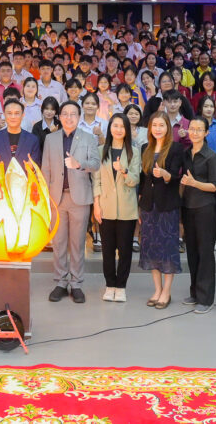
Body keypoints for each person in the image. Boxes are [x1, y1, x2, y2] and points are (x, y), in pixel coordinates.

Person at [42, 100, 101, 304]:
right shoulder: (50, 139)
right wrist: (46, 197)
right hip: (56, 198)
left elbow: (95, 164)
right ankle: (60, 282)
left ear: (79, 116)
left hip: (80, 197)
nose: (69, 117)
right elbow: (46, 169)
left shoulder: (89, 138)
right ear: (59, 116)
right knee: (58, 243)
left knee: (77, 243)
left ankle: (76, 283)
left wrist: (79, 164)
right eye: (65, 114)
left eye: (73, 114)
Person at [137, 111, 185, 309]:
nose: (158, 129)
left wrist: (165, 174)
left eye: (161, 125)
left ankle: (167, 291)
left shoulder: (176, 148)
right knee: (152, 248)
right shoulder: (145, 148)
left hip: (167, 206)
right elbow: (143, 180)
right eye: (154, 125)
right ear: (150, 128)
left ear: (168, 128)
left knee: (167, 249)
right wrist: (140, 203)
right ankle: (157, 289)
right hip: (149, 206)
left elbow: (176, 177)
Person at [92, 113, 141, 303]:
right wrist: (96, 205)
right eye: (115, 126)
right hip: (105, 207)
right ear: (110, 128)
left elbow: (135, 180)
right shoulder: (101, 150)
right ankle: (109, 285)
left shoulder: (133, 152)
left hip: (127, 209)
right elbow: (96, 180)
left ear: (127, 130)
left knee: (125, 250)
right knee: (107, 251)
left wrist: (123, 170)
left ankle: (121, 287)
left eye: (122, 126)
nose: (118, 129)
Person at [179, 117, 216, 314]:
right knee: (192, 253)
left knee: (205, 253)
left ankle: (206, 298)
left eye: (199, 129)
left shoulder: (211, 156)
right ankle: (195, 292)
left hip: (205, 208)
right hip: (188, 207)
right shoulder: (186, 153)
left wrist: (194, 183)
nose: (194, 132)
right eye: (192, 129)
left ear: (206, 133)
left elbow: (214, 186)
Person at [0, 99, 41, 165]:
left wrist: (32, 167)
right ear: (4, 115)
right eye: (9, 113)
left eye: (17, 113)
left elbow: (36, 165)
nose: (13, 117)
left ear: (23, 115)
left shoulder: (32, 140)